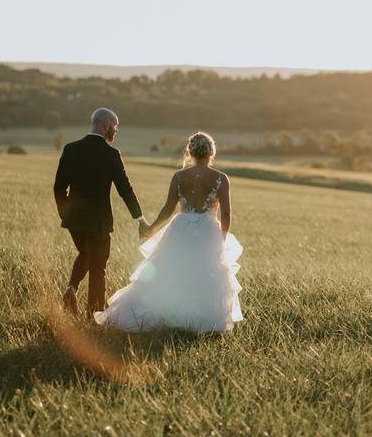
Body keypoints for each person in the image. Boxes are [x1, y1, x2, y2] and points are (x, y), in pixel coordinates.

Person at [93, 131, 243, 333]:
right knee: (205, 275)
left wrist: (150, 228)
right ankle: (197, 322)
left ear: (190, 152)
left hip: (180, 228)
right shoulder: (221, 178)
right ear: (211, 152)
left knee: (170, 271)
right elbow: (226, 213)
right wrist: (222, 239)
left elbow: (168, 209)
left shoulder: (179, 176)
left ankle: (165, 313)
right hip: (208, 231)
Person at [53, 108, 148, 318]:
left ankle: (71, 290)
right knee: (98, 267)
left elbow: (59, 188)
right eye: (115, 127)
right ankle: (95, 315)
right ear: (105, 126)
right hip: (98, 222)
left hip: (74, 221)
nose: (116, 131)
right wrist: (140, 218)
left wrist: (66, 214)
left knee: (86, 254)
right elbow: (125, 189)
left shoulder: (71, 149)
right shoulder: (110, 154)